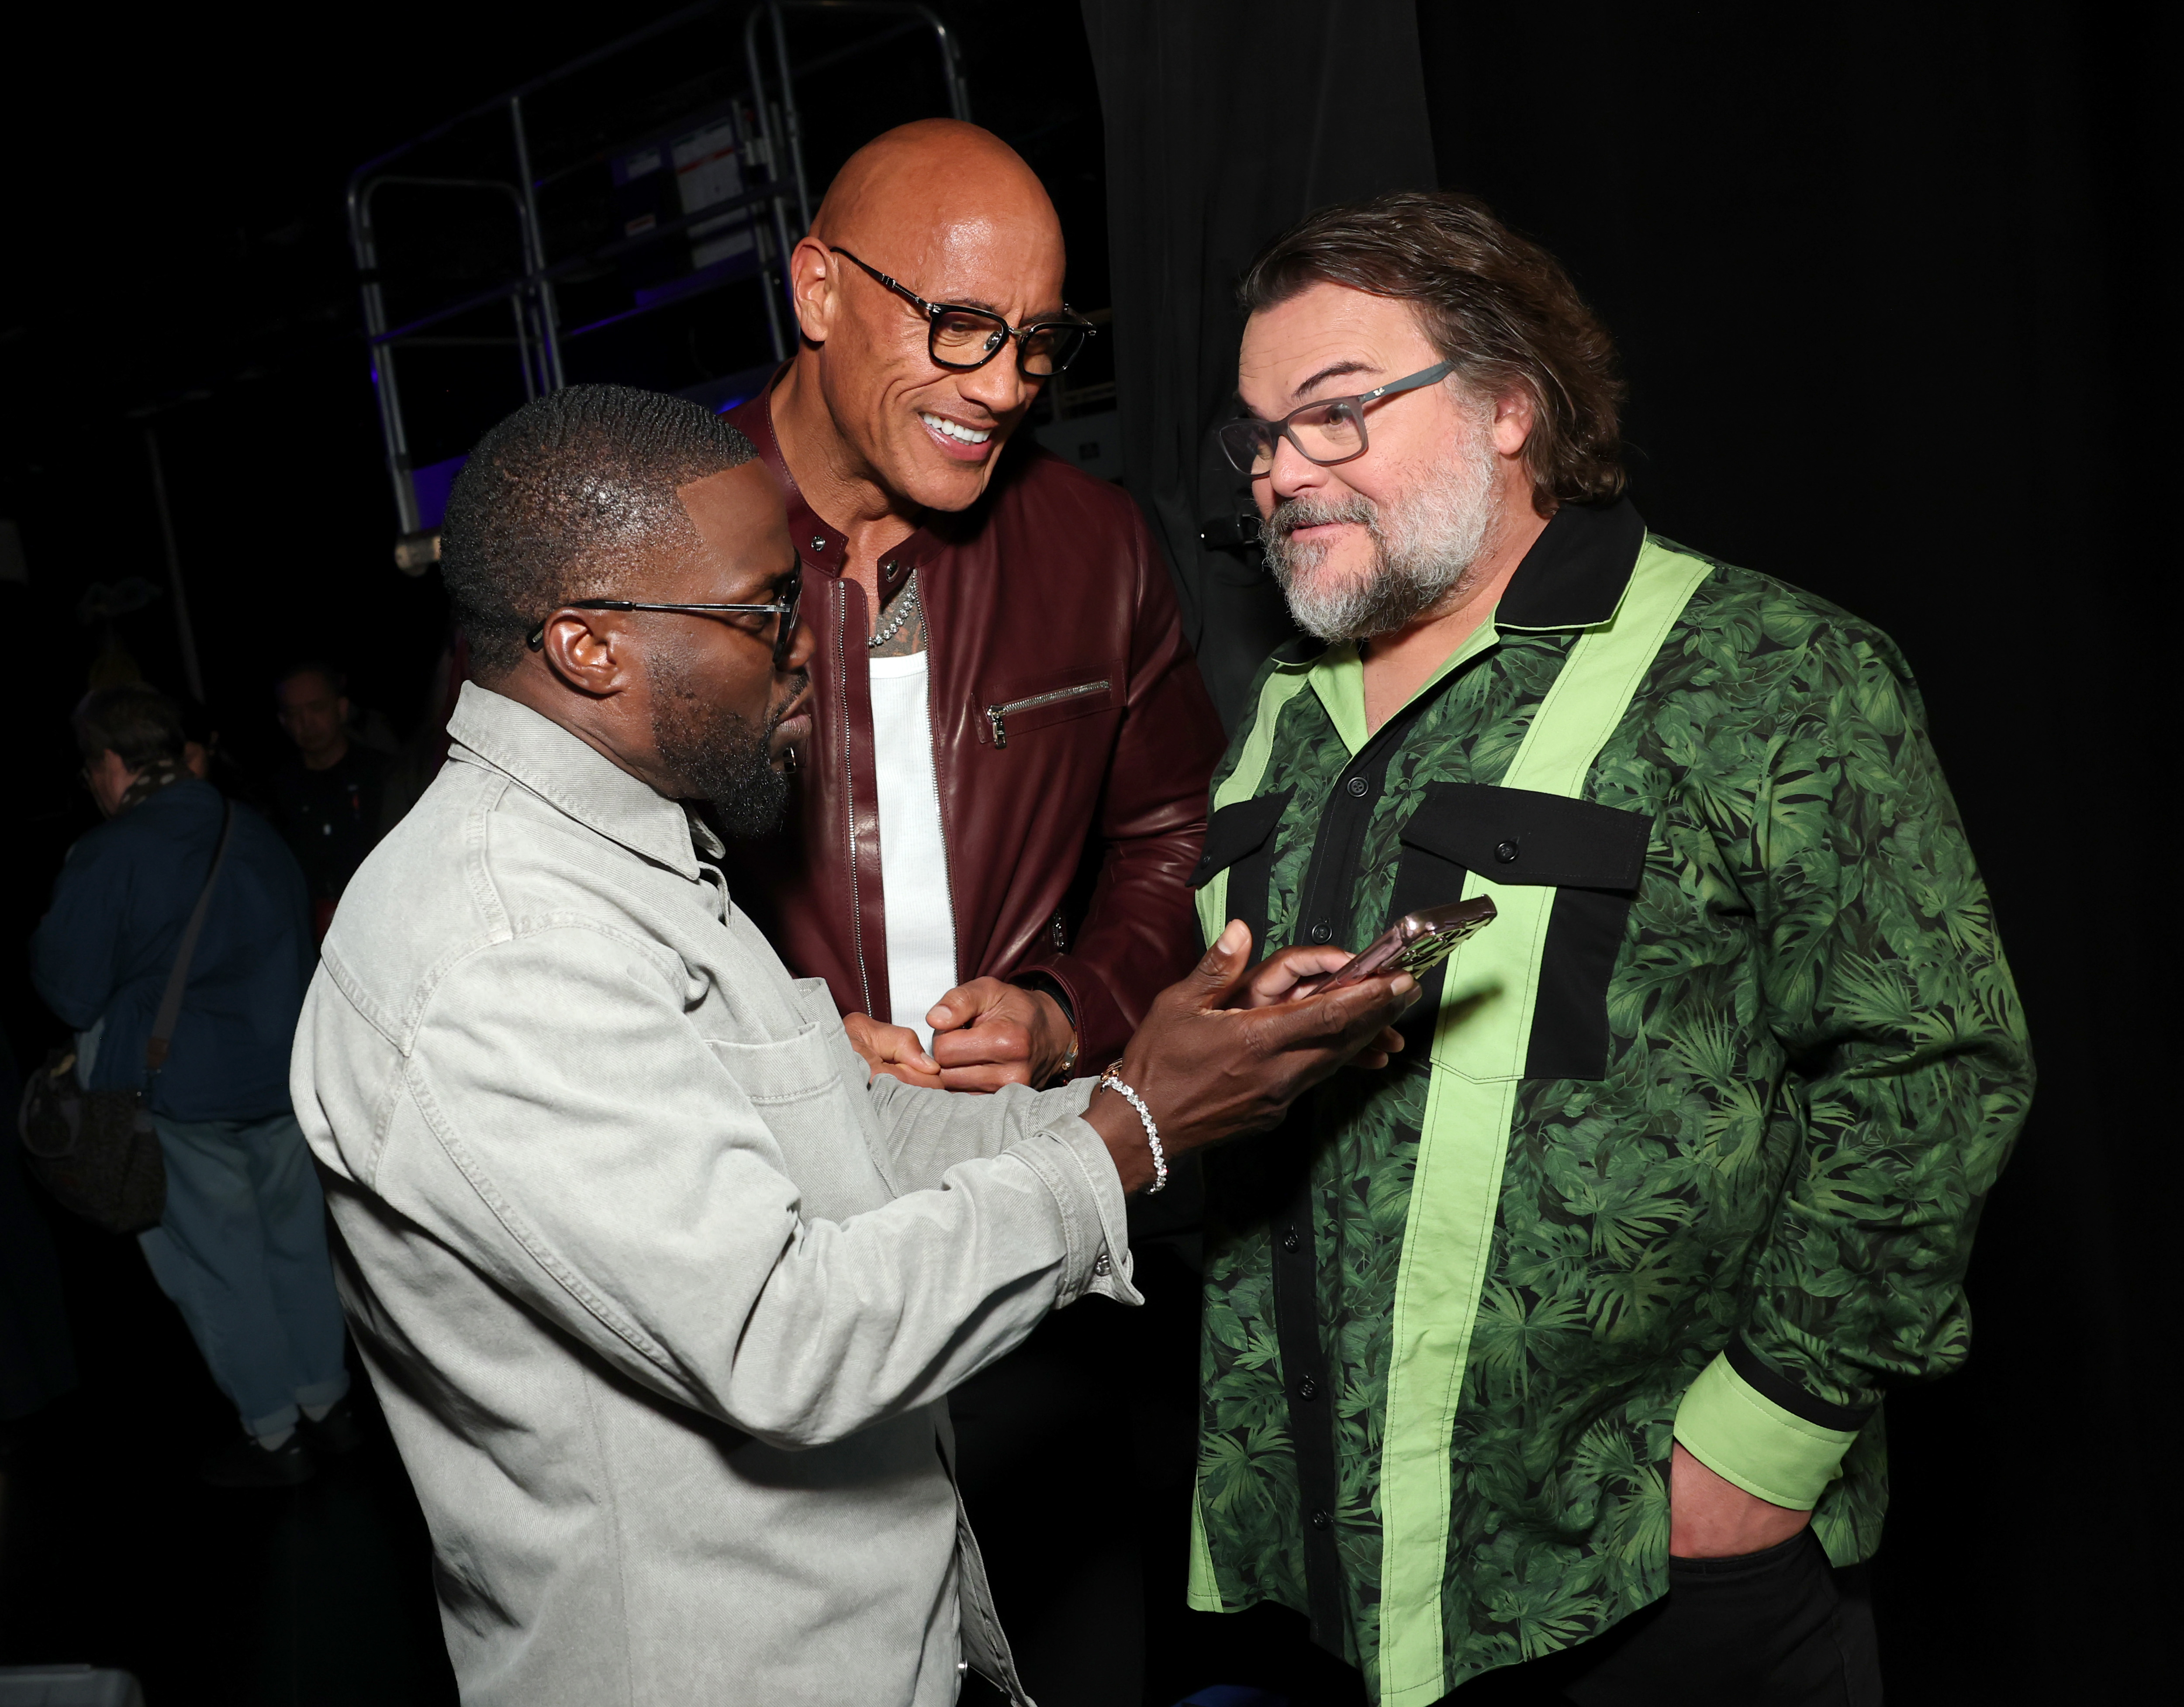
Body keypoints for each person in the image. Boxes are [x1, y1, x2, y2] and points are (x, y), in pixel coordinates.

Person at [290, 383, 1416, 1707]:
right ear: (589, 647)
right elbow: (783, 1332)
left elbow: (853, 1133)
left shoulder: (628, 866)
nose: (807, 652)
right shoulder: (503, 950)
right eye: (765, 612)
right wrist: (1128, 1138)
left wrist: (1174, 1088)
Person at [1182, 191, 2033, 1706]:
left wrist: (1756, 1450)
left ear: (1512, 404)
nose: (1279, 471)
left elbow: (1935, 1073)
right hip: (1321, 1589)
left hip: (1638, 1585)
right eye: (1258, 433)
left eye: (1335, 414)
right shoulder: (1279, 718)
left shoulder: (1770, 669)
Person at [715, 117, 1229, 1699]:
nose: (1004, 382)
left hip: (1027, 1254)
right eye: (957, 328)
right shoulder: (639, 551)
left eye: (1038, 340)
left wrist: (1071, 1004)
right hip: (755, 1263)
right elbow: (540, 917)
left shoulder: (1093, 546)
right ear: (816, 288)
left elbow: (1171, 835)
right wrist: (787, 1046)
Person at [30, 685, 358, 1487]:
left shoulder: (110, 853)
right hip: (284, 1081)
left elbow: (69, 990)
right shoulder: (252, 828)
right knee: (299, 1249)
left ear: (111, 763)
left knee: (221, 1270)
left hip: (180, 1096)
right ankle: (330, 1401)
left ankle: (273, 1433)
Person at [269, 660, 388, 939]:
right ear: (283, 721)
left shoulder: (384, 777)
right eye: (294, 714)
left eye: (317, 708)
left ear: (341, 708)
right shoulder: (275, 794)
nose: (306, 723)